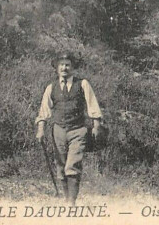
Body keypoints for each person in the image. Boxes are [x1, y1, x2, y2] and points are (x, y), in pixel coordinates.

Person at [35, 53, 103, 205]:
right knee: (61, 165)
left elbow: (93, 105)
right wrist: (41, 129)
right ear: (56, 67)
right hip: (58, 129)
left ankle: (71, 202)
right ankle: (66, 200)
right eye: (61, 64)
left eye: (67, 65)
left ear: (73, 67)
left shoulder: (83, 84)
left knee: (73, 164)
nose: (64, 68)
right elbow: (44, 110)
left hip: (78, 130)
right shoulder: (51, 87)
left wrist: (96, 126)